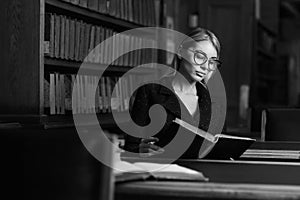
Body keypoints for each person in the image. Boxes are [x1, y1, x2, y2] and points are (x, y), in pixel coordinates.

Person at [123, 27, 222, 158]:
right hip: (162, 170)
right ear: (181, 51)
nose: (204, 67)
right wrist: (139, 150)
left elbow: (219, 147)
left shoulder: (215, 102)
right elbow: (131, 146)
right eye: (199, 56)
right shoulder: (150, 91)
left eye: (212, 62)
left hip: (204, 173)